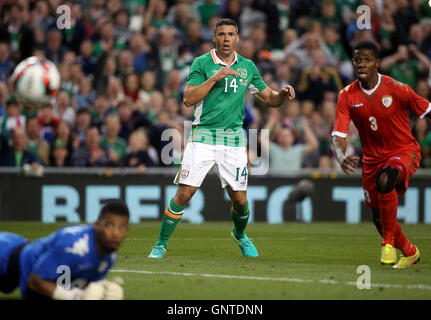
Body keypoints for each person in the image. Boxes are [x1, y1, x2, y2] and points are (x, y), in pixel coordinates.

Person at [148, 18, 295, 259]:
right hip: (202, 135)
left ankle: (240, 235)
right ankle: (160, 245)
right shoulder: (202, 63)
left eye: (231, 34)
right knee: (185, 194)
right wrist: (215, 77)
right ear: (214, 38)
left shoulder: (247, 67)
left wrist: (283, 94)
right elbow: (188, 98)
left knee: (239, 200)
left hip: (233, 139)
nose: (226, 38)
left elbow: (270, 98)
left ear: (237, 39)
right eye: (222, 34)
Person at [331, 40, 431, 269]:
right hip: (371, 159)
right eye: (357, 60)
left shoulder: (398, 88)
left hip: (403, 150)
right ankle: (410, 251)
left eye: (367, 60)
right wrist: (341, 155)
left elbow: (428, 110)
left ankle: (387, 243)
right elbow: (338, 133)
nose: (361, 65)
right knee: (378, 218)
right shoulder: (346, 96)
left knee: (386, 179)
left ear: (377, 63)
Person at [0, 201, 129, 300]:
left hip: (20, 265)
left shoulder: (110, 256)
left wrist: (101, 289)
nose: (116, 234)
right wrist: (75, 296)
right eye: (109, 226)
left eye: (122, 228)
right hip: (5, 255)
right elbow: (34, 283)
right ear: (96, 225)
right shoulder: (73, 246)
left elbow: (67, 282)